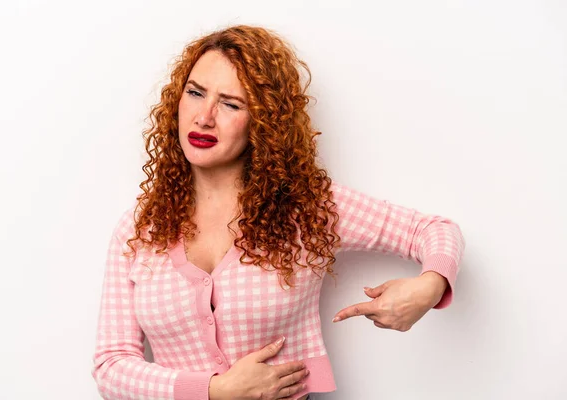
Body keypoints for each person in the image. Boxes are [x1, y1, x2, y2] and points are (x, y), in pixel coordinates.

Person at [91, 25, 465, 400]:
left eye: (231, 104)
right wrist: (215, 390)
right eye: (195, 93)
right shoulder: (139, 230)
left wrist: (429, 287)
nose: (204, 117)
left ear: (263, 121)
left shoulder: (306, 208)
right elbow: (111, 365)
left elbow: (432, 230)